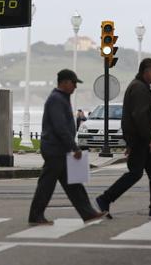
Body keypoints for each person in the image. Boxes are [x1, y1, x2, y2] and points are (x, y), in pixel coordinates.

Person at [95, 58, 151, 219]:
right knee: (136, 173)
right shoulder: (139, 88)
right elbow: (139, 117)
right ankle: (105, 198)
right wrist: (150, 140)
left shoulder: (139, 86)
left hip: (139, 140)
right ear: (146, 71)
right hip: (142, 141)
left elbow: (133, 118)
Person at [28, 69, 105, 225]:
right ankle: (35, 216)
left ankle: (88, 213)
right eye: (74, 83)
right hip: (55, 149)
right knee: (47, 185)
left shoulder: (61, 98)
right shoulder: (56, 99)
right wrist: (74, 147)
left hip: (60, 149)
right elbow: (60, 127)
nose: (75, 87)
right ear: (64, 82)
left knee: (74, 184)